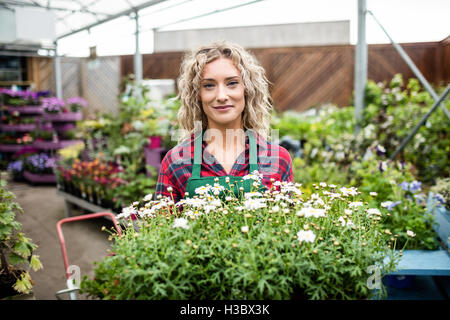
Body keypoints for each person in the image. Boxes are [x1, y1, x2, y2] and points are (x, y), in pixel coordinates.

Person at [155, 41, 293, 203]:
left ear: (247, 89)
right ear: (197, 95)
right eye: (208, 85)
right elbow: (163, 225)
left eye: (232, 83)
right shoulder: (177, 161)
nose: (221, 96)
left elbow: (286, 224)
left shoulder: (277, 159)